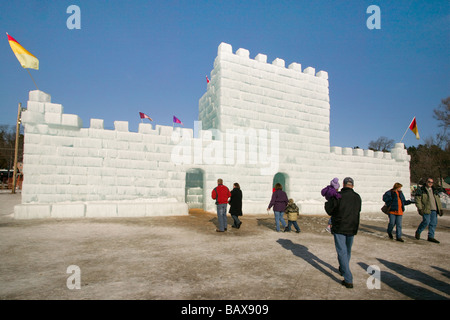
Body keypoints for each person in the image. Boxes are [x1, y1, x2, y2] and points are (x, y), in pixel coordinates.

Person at [325, 177, 361, 288]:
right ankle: (343, 268)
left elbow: (329, 210)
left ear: (343, 185)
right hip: (352, 227)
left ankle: (348, 279)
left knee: (342, 252)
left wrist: (328, 200)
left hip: (340, 227)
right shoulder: (357, 197)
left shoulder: (338, 195)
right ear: (353, 186)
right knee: (347, 250)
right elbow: (358, 210)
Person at [414, 178, 444, 243]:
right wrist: (420, 208)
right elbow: (417, 199)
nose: (430, 183)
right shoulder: (421, 190)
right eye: (429, 182)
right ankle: (418, 232)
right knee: (426, 221)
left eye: (431, 182)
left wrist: (440, 209)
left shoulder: (434, 190)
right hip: (426, 209)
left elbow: (438, 200)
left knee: (433, 223)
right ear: (426, 182)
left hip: (434, 209)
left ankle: (431, 236)